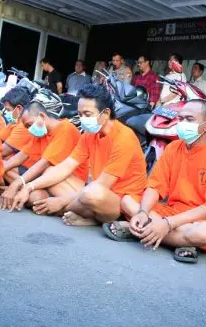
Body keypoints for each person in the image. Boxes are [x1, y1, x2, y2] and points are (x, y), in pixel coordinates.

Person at [103, 100, 206, 263]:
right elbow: (155, 187)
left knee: (203, 234)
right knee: (128, 200)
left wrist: (167, 224)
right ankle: (175, 240)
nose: (182, 124)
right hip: (172, 212)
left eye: (189, 119)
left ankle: (138, 231)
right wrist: (143, 212)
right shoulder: (173, 148)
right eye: (180, 119)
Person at [8, 84, 147, 226]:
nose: (83, 119)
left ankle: (85, 215)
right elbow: (66, 166)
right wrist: (28, 186)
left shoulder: (124, 138)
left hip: (120, 201)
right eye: (80, 114)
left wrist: (60, 202)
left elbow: (102, 185)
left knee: (92, 193)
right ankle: (88, 216)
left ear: (105, 113)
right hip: (93, 191)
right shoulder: (89, 135)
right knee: (50, 172)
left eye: (87, 114)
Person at [0, 101, 89, 215]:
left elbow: (45, 163)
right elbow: (22, 155)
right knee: (7, 168)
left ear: (41, 116)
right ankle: (30, 193)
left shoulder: (66, 129)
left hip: (66, 181)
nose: (29, 129)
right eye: (26, 127)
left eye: (29, 125)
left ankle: (68, 207)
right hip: (44, 178)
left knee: (46, 175)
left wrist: (16, 184)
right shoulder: (41, 132)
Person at [0, 87, 33, 160]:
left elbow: (2, 151)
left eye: (8, 110)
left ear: (19, 108)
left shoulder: (24, 126)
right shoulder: (15, 120)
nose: (5, 112)